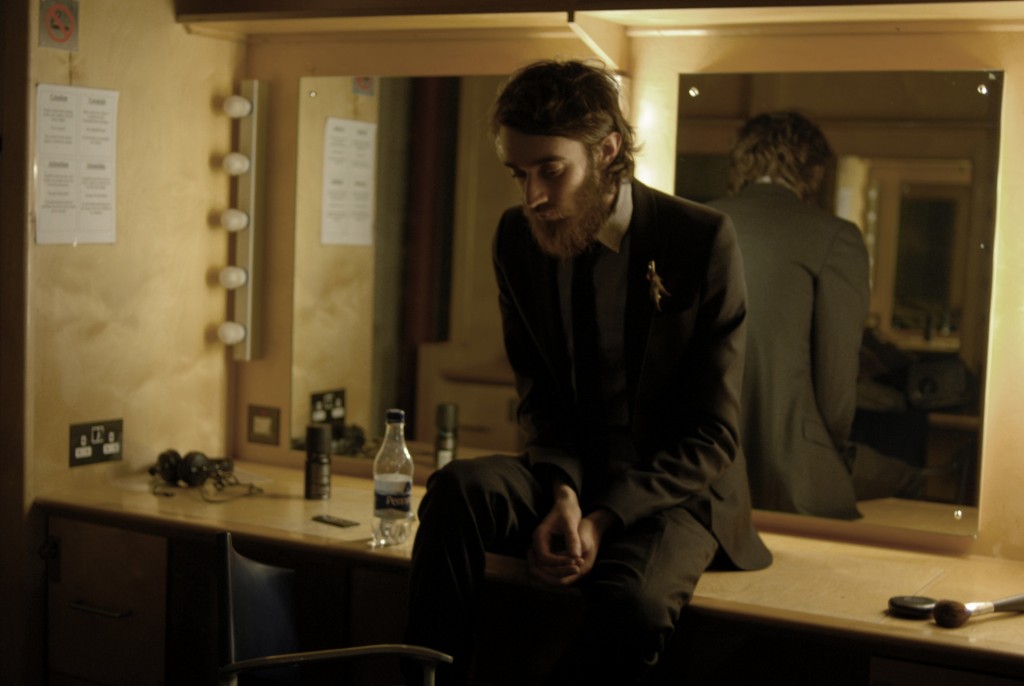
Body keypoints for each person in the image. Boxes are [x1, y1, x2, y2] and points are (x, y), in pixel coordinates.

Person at [403, 59, 771, 685]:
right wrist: (565, 495)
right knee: (457, 490)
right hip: (569, 474)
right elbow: (540, 397)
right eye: (520, 174)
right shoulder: (516, 238)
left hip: (672, 493)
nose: (533, 198)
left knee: (633, 606)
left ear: (607, 151)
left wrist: (601, 519)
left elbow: (713, 436)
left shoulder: (699, 238)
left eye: (551, 171)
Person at [708, 111, 922, 520]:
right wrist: (831, 453)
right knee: (911, 481)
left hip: (699, 472)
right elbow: (836, 390)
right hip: (792, 474)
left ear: (741, 161)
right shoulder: (836, 239)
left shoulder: (696, 223)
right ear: (814, 169)